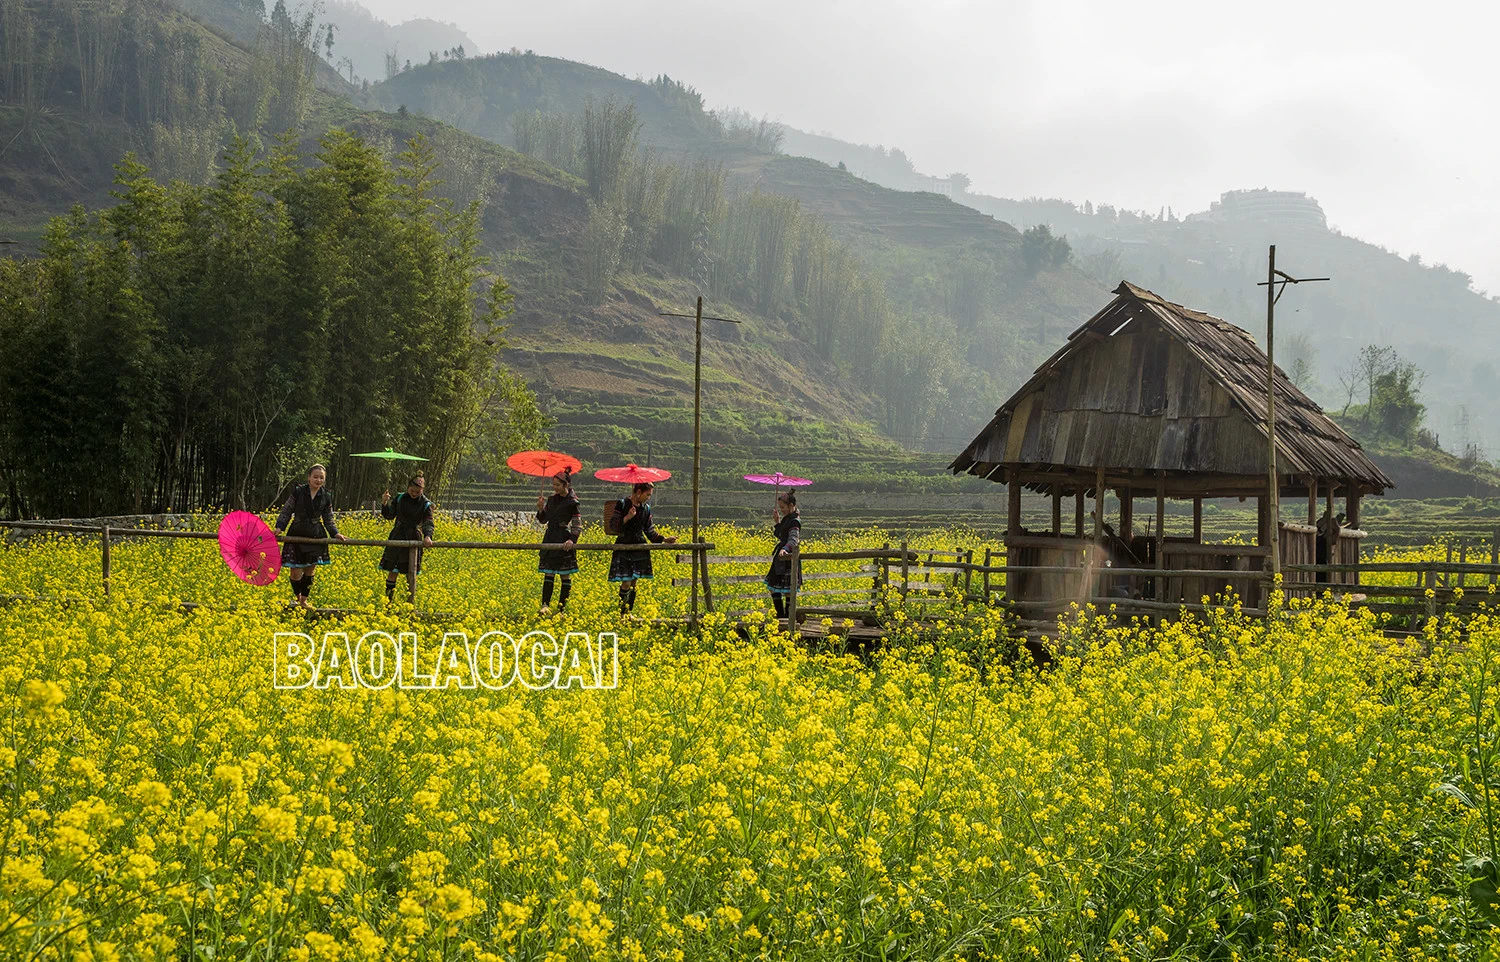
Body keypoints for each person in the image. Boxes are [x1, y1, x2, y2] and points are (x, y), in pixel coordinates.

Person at [276, 463, 347, 609]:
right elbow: (287, 510)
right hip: (296, 532)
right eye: (315, 477)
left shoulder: (326, 496)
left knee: (310, 570)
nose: (318, 480)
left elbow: (328, 518)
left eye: (321, 478)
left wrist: (335, 533)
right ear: (309, 477)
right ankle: (297, 597)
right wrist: (279, 527)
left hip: (316, 535)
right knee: (295, 572)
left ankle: (303, 601)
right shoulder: (298, 492)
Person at [608, 481, 676, 616]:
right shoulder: (622, 504)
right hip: (624, 545)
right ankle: (622, 614)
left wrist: (664, 539)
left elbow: (649, 531)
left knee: (633, 583)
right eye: (647, 494)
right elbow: (613, 526)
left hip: (639, 546)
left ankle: (629, 613)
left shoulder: (646, 508)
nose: (648, 498)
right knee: (626, 583)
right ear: (638, 492)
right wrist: (627, 517)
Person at [379, 473, 435, 601]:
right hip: (397, 535)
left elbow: (428, 522)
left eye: (417, 492)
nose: (414, 494)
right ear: (408, 487)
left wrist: (428, 536)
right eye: (412, 490)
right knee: (393, 570)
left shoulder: (426, 504)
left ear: (422, 490)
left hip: (414, 537)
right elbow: (389, 515)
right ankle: (388, 602)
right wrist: (384, 502)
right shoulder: (400, 498)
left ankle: (409, 603)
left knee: (411, 572)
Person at [536, 468, 582, 615]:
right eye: (553, 485)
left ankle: (561, 609)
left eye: (557, 485)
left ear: (565, 485)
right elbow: (544, 520)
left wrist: (572, 540)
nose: (555, 487)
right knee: (548, 573)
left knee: (564, 574)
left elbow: (577, 524)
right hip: (550, 536)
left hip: (563, 537)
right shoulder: (551, 500)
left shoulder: (572, 502)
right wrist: (540, 509)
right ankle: (545, 606)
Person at [764, 491, 804, 619]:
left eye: (783, 507)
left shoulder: (794, 521)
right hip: (781, 557)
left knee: (788, 591)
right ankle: (781, 616)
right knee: (774, 588)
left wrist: (785, 549)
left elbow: (793, 539)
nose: (781, 510)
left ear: (791, 505)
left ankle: (787, 618)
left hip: (788, 558)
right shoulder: (788, 519)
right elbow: (781, 536)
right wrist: (777, 522)